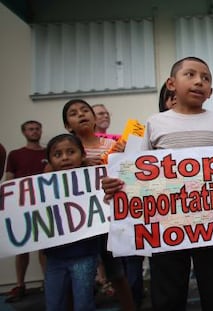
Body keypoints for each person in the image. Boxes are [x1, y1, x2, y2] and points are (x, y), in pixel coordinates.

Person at [102, 56, 213, 311]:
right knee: (167, 293)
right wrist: (115, 187)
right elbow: (135, 173)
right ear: (171, 83)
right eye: (190, 75)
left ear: (211, 91)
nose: (199, 81)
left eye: (206, 78)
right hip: (167, 225)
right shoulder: (154, 123)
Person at [62, 99, 136, 311]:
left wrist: (123, 154)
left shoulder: (111, 146)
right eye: (74, 113)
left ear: (95, 119)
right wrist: (80, 164)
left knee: (117, 272)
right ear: (68, 125)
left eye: (85, 111)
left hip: (108, 219)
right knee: (77, 274)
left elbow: (126, 172)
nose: (81, 114)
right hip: (78, 223)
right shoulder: (67, 150)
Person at [43, 134, 99, 311]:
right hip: (54, 257)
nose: (65, 158)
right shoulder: (42, 188)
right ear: (50, 160)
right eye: (57, 155)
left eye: (71, 152)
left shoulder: (93, 178)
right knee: (54, 304)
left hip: (84, 254)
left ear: (82, 155)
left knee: (83, 304)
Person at [5, 120, 47, 303]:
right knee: (22, 247)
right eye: (31, 129)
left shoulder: (48, 152)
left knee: (45, 245)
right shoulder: (15, 154)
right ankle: (20, 284)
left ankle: (48, 281)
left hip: (45, 205)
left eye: (37, 128)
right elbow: (9, 179)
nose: (34, 131)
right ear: (24, 132)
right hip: (23, 206)